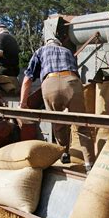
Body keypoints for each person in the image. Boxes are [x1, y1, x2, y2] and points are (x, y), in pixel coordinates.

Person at [19, 37, 95, 172]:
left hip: (50, 83)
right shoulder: (67, 51)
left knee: (58, 124)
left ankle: (64, 154)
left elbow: (27, 79)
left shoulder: (40, 51)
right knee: (82, 126)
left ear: (46, 43)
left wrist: (23, 103)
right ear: (59, 44)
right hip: (72, 82)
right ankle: (90, 164)